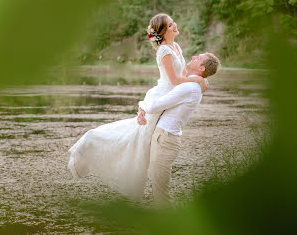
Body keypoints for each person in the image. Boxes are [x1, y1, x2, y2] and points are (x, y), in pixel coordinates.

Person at [68, 13, 207, 200]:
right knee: (136, 136)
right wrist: (198, 79)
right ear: (163, 32)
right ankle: (90, 148)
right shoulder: (164, 51)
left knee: (140, 139)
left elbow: (182, 74)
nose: (175, 25)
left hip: (170, 93)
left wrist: (197, 80)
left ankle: (149, 187)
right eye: (171, 25)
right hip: (164, 92)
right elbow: (174, 79)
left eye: (174, 23)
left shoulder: (177, 47)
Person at [138, 53, 220, 205]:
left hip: (166, 139)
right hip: (164, 137)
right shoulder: (192, 84)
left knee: (161, 193)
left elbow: (156, 105)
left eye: (198, 58)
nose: (194, 56)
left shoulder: (190, 87)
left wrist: (142, 106)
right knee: (159, 190)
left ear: (201, 68)